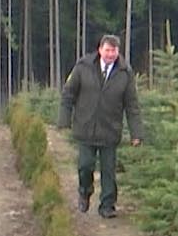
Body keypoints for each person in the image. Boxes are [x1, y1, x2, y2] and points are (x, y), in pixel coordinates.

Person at [59, 34, 144, 218]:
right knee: (85, 166)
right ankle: (85, 191)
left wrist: (136, 133)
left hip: (110, 130)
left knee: (108, 171)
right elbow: (68, 94)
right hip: (85, 128)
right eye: (107, 50)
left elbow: (132, 105)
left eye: (114, 51)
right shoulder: (83, 67)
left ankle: (107, 205)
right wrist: (64, 120)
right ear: (100, 50)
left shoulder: (125, 73)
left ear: (118, 52)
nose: (110, 54)